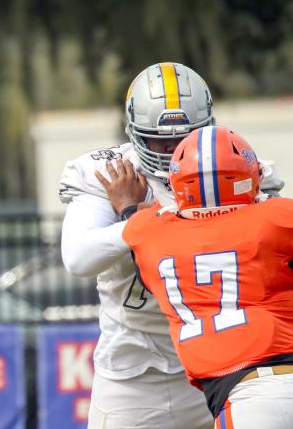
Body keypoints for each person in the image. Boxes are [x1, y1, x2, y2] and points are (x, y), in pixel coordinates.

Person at [58, 62, 283, 429]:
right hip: (133, 372)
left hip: (224, 364)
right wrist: (142, 224)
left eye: (183, 137)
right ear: (134, 133)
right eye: (158, 140)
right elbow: (79, 258)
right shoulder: (113, 174)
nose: (171, 150)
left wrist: (147, 217)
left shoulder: (232, 165)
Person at [122, 126, 293, 428]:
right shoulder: (275, 219)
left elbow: (142, 226)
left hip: (249, 397)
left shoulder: (146, 233)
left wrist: (128, 208)